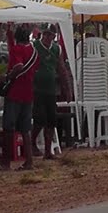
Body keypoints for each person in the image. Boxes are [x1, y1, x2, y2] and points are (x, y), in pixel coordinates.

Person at [0, 24, 37, 171]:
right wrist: (9, 34)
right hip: (28, 92)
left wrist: (8, 76)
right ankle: (29, 161)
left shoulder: (16, 50)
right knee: (25, 129)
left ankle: (6, 162)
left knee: (8, 127)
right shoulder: (33, 51)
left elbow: (18, 65)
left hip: (15, 92)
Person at [31, 24, 69, 159]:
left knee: (51, 120)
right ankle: (32, 142)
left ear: (54, 36)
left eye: (50, 35)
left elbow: (61, 68)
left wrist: (67, 88)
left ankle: (48, 151)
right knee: (39, 119)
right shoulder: (34, 46)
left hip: (51, 89)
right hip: (37, 88)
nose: (48, 37)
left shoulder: (56, 49)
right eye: (46, 34)